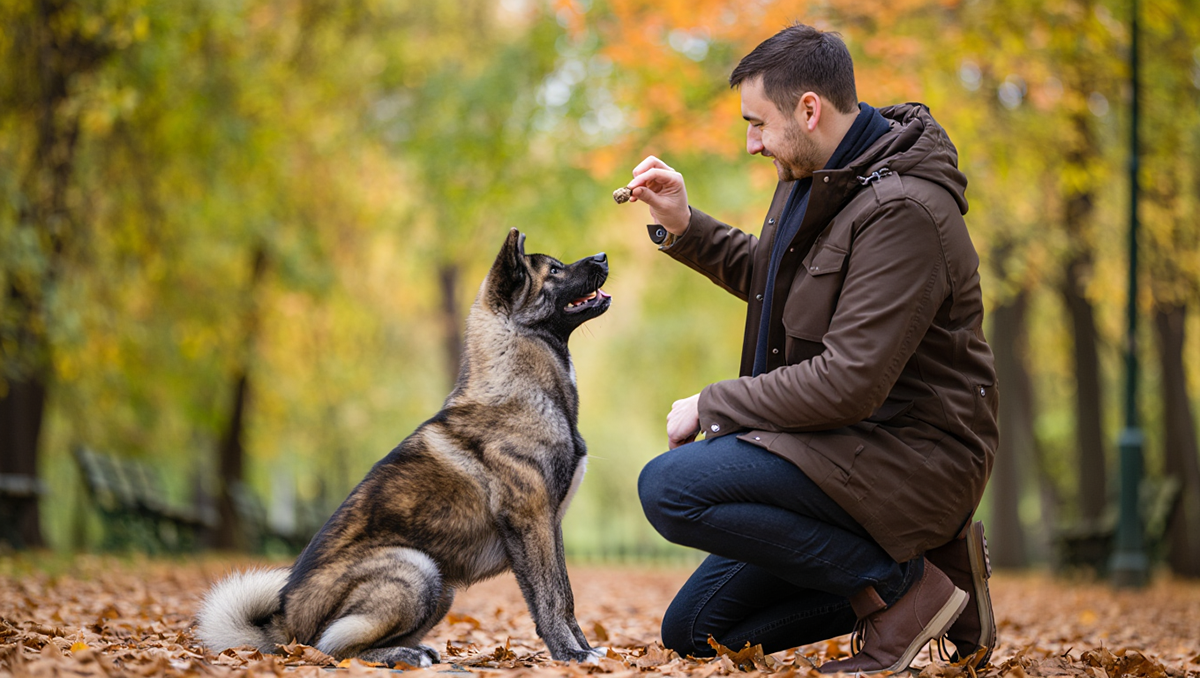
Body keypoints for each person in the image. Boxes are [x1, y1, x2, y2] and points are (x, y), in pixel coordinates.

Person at [626, 24, 999, 674]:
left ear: (808, 109)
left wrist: (713, 404)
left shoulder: (905, 210)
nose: (751, 142)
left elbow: (849, 381)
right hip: (841, 448)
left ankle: (903, 593)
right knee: (696, 629)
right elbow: (777, 283)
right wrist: (685, 227)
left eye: (758, 123)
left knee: (669, 488)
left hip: (910, 459)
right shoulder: (821, 178)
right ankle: (931, 586)